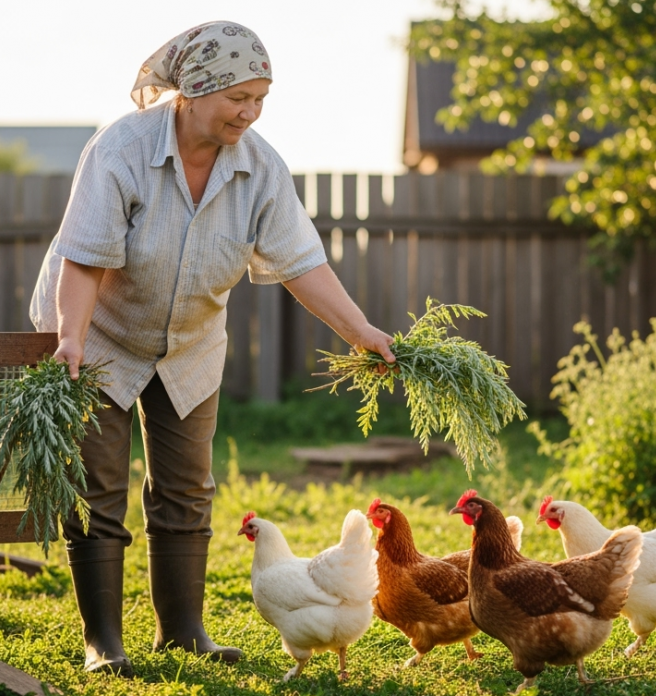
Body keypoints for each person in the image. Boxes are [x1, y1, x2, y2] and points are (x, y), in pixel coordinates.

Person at [29, 21, 396, 677]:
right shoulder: (120, 150)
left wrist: (360, 330)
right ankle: (103, 643)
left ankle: (183, 632)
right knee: (98, 487)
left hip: (189, 345)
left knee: (187, 491)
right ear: (195, 91)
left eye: (260, 98)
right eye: (238, 98)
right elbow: (82, 261)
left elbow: (301, 263)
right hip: (96, 336)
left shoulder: (261, 169)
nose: (249, 113)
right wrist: (70, 339)